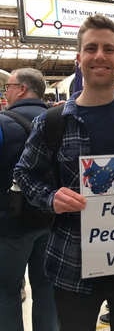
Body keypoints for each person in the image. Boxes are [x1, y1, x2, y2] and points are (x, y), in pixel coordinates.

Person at [14, 15, 114, 331]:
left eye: (109, 48)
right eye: (91, 48)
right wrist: (51, 197)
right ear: (79, 59)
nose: (100, 55)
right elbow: (24, 173)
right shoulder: (51, 122)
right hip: (73, 259)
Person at [0, 68, 58, 331]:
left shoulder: (3, 123)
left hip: (11, 227)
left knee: (7, 291)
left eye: (8, 86)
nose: (6, 92)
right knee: (46, 288)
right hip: (52, 219)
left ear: (22, 89)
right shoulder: (59, 120)